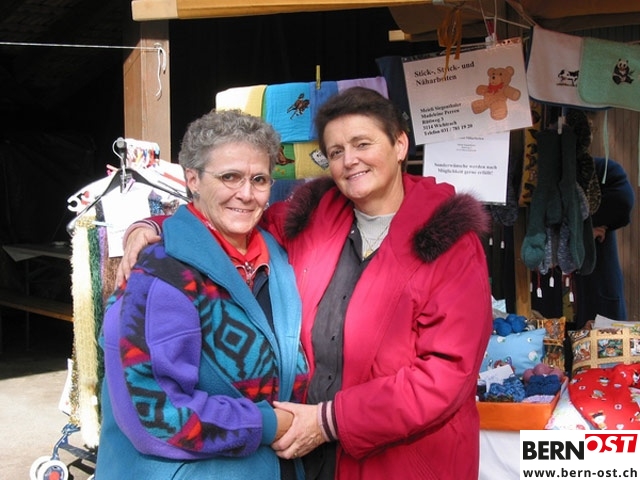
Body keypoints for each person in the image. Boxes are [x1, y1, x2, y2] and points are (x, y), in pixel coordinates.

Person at [117, 87, 493, 480]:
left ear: (400, 145)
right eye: (336, 151)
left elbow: (446, 373)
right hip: (313, 457)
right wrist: (155, 227)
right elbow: (233, 217)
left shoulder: (449, 239)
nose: (350, 160)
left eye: (362, 143)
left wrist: (330, 421)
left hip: (406, 461)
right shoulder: (315, 213)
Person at [95, 110, 310, 480]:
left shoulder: (274, 256)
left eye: (259, 179)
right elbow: (155, 414)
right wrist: (269, 424)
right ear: (192, 179)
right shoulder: (160, 274)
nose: (246, 194)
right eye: (230, 177)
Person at [574, 155, 634, 327]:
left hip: (596, 285)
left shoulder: (597, 170)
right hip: (550, 289)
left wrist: (585, 229)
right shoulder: (534, 176)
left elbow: (623, 200)